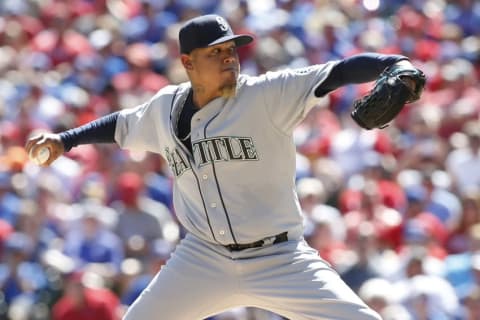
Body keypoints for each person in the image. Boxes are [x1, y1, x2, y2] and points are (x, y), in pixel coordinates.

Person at [25, 14, 423, 320]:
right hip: (202, 258)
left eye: (231, 49)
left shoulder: (266, 95)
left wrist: (395, 62)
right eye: (215, 52)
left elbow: (337, 72)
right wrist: (65, 140)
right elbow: (120, 125)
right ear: (188, 62)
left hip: (280, 257)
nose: (228, 57)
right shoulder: (164, 108)